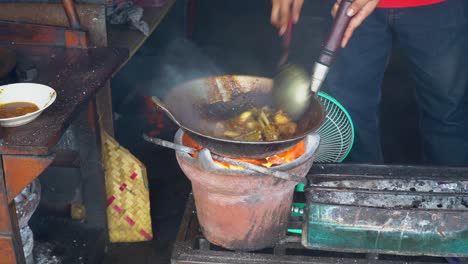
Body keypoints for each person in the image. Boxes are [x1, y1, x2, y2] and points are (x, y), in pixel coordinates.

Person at [270, 0, 468, 165]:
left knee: (447, 115)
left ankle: (452, 207)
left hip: (437, 6)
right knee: (348, 119)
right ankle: (358, 204)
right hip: (348, 6)